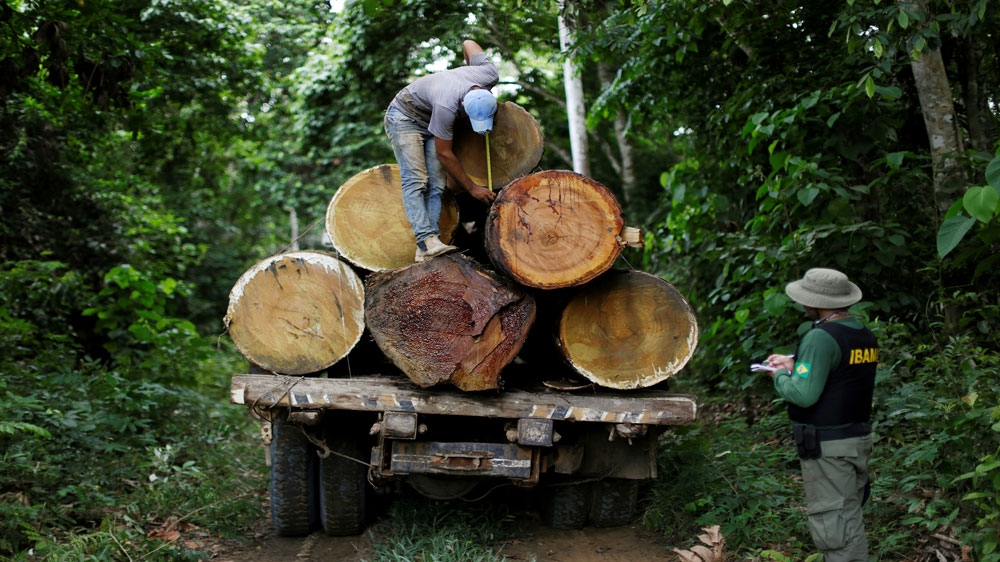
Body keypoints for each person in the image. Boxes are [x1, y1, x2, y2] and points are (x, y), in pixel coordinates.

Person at [762, 268, 879, 562]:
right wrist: (794, 364)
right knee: (848, 515)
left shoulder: (820, 337)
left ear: (815, 301)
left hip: (828, 447)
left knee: (835, 527)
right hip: (856, 440)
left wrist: (778, 376)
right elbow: (832, 374)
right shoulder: (861, 333)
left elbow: (803, 394)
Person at [384, 39, 499, 263]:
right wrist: (472, 188)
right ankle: (426, 240)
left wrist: (468, 67)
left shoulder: (487, 73)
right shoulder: (448, 106)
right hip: (405, 117)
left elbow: (468, 42)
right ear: (464, 105)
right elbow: (445, 154)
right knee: (416, 180)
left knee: (437, 183)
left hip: (430, 117)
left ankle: (427, 247)